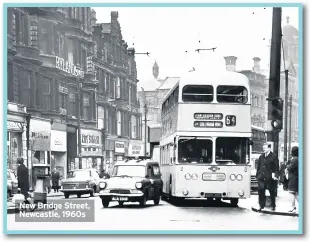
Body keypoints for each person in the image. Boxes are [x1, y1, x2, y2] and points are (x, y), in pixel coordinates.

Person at [256, 143, 279, 211]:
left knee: (271, 191)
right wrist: (257, 175)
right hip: (261, 177)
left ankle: (273, 205)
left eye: (265, 148)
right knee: (261, 192)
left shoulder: (274, 156)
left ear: (269, 148)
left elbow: (276, 167)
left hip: (270, 177)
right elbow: (258, 166)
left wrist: (275, 176)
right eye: (263, 148)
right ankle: (261, 205)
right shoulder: (261, 156)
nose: (263, 149)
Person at [286, 146, 298, 213]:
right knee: (295, 194)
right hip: (295, 178)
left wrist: (287, 166)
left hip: (293, 178)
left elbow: (291, 167)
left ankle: (293, 207)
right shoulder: (298, 158)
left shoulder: (295, 159)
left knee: (292, 193)